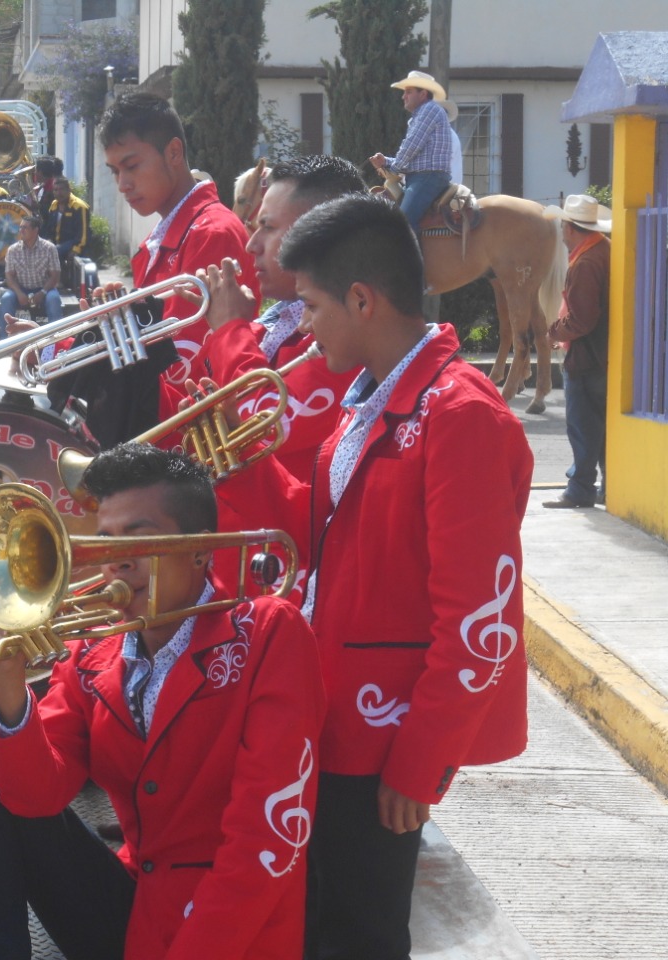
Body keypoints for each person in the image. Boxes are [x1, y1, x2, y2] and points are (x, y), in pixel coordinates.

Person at [203, 195, 532, 960]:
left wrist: (419, 766)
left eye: (311, 306)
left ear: (362, 299)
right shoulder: (373, 399)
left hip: (381, 742)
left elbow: (480, 624)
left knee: (359, 938)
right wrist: (241, 469)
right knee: (319, 930)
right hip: (334, 719)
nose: (303, 329)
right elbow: (327, 543)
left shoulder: (459, 417)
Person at [0, 442, 326, 960]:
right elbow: (35, 798)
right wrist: (7, 680)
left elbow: (264, 841)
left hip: (231, 929)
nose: (115, 562)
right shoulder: (95, 646)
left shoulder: (268, 632)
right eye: (102, 543)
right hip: (135, 902)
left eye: (138, 540)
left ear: (200, 547)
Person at [193, 155, 367, 481]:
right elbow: (192, 425)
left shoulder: (346, 333)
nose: (250, 245)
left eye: (268, 228)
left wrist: (230, 329)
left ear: (320, 237)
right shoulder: (278, 319)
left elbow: (265, 422)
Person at [97, 93, 260, 396]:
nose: (122, 184)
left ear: (173, 152)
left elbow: (180, 369)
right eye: (115, 171)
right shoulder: (170, 235)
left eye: (131, 166)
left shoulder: (210, 234)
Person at [543, 194, 612, 509]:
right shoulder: (604, 250)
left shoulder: (585, 262)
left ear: (571, 228)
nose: (560, 232)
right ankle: (607, 488)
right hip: (602, 357)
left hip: (586, 359)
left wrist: (553, 332)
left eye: (563, 226)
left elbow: (582, 319)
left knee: (583, 428)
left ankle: (580, 489)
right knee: (600, 431)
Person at [368, 71, 455, 232]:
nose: (403, 97)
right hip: (423, 177)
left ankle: (413, 258)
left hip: (427, 177)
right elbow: (413, 156)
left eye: (408, 92)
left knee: (403, 223)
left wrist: (393, 169)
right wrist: (386, 162)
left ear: (422, 94)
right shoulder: (422, 114)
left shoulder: (429, 110)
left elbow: (411, 146)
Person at [0, 215, 63, 334]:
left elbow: (55, 276)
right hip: (21, 289)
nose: (21, 231)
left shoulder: (49, 248)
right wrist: (19, 294)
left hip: (45, 289)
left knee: (54, 299)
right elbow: (9, 276)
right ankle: (4, 344)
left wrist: (42, 292)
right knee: (6, 299)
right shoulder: (13, 250)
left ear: (35, 230)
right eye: (20, 227)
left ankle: (56, 342)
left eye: (25, 228)